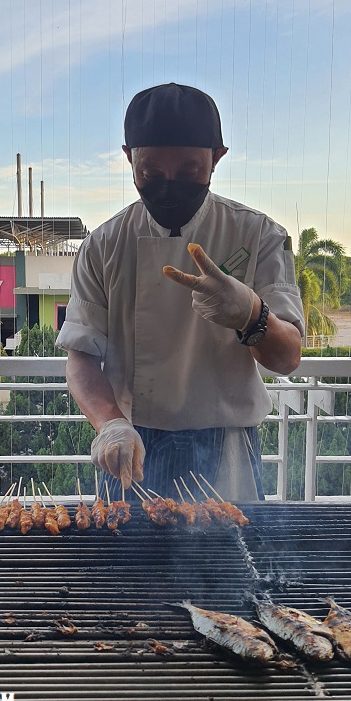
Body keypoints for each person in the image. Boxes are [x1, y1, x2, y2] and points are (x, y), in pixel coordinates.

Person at [56, 83, 304, 502]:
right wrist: (111, 425)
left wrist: (252, 316)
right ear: (128, 158)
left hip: (227, 453)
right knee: (121, 565)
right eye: (150, 174)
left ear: (217, 159)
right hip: (131, 448)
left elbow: (288, 358)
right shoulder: (103, 244)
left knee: (230, 564)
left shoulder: (256, 234)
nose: (168, 186)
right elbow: (81, 359)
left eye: (188, 172)